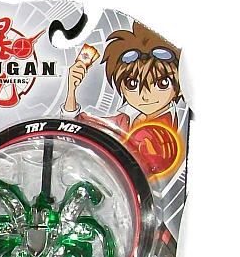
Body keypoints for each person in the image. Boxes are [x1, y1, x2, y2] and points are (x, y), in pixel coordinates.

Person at [63, 21, 183, 176]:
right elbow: (79, 126)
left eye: (162, 83)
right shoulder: (125, 120)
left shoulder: (164, 132)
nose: (145, 96)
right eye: (132, 84)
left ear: (180, 88)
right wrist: (71, 91)